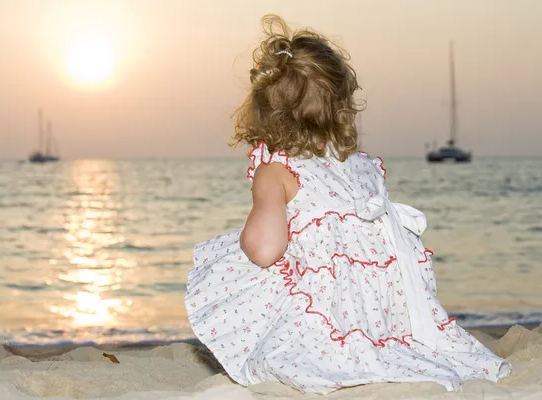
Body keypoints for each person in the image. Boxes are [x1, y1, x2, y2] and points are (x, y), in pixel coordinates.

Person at [185, 14, 510, 394]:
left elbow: (265, 249)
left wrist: (244, 241)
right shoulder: (360, 166)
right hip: (383, 314)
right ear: (342, 104)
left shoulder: (276, 170)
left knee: (248, 266)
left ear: (263, 109)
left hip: (329, 312)